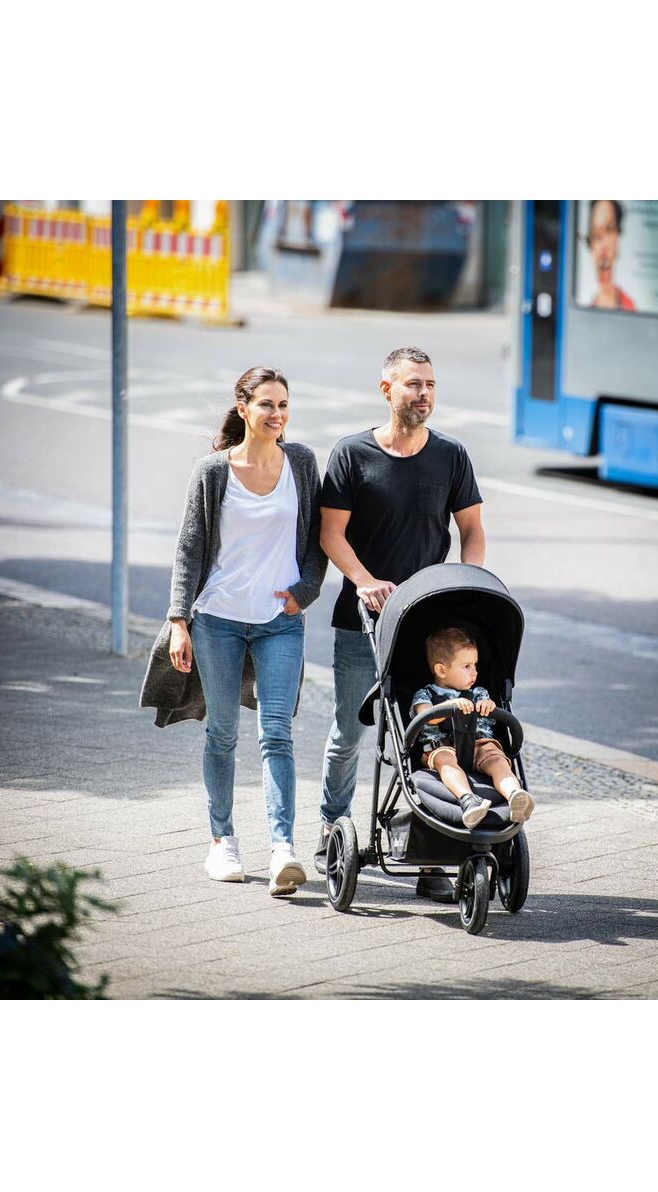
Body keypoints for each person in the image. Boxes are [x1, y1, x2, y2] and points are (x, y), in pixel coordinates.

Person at [140, 366, 328, 896]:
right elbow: (189, 548)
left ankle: (283, 849)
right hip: (217, 620)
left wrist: (304, 592)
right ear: (243, 408)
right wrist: (179, 621)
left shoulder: (302, 464)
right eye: (266, 404)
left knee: (278, 733)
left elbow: (317, 539)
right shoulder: (212, 471)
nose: (277, 414)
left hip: (280, 624)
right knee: (222, 732)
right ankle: (222, 842)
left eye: (284, 404)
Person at [316, 346, 485, 902]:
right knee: (349, 733)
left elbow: (471, 531)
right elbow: (331, 534)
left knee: (423, 735)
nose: (424, 395)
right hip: (361, 622)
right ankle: (330, 827)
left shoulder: (452, 456)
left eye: (431, 385)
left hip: (426, 626)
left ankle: (431, 849)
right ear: (386, 390)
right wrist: (364, 581)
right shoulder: (352, 454)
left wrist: (465, 586)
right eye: (413, 384)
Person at [410, 626, 535, 828]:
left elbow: (491, 712)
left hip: (479, 743)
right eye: (466, 666)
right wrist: (448, 707)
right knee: (444, 761)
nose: (475, 672)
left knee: (497, 760)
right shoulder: (425, 694)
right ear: (441, 670)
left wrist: (489, 706)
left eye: (475, 665)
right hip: (442, 746)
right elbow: (425, 716)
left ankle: (514, 795)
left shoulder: (478, 693)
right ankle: (468, 799)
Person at [586, 199, 637, 311]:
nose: (603, 247)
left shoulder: (631, 307)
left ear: (618, 238)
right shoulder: (586, 307)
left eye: (609, 230)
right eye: (596, 234)